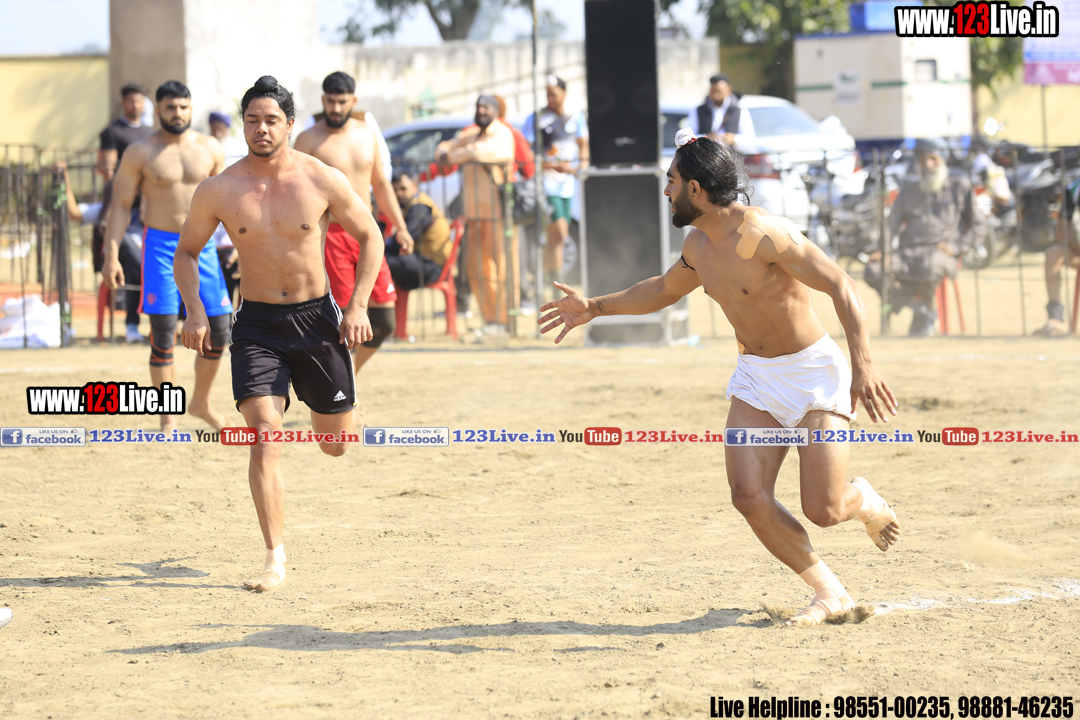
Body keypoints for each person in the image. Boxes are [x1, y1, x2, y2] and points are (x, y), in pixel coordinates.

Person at [538, 130, 900, 626]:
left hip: (813, 375)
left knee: (825, 509)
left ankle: (864, 499)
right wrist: (595, 307)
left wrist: (864, 363)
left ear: (696, 189)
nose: (666, 191)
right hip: (757, 379)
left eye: (671, 181)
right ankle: (830, 593)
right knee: (748, 495)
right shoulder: (699, 244)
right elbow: (663, 290)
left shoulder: (765, 234)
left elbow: (841, 283)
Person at [177, 76, 382, 593]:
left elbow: (371, 236)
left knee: (335, 444)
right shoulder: (219, 189)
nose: (261, 129)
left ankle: (342, 406)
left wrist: (358, 305)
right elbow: (187, 252)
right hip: (257, 327)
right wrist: (195, 311)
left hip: (317, 321)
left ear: (290, 124)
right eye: (252, 120)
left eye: (271, 120)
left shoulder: (322, 178)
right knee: (265, 436)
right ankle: (274, 559)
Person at [102, 80, 232, 432]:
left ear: (191, 109)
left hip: (203, 246)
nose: (178, 113)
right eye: (171, 107)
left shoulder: (210, 148)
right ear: (157, 110)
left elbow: (228, 202)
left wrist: (239, 245)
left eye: (183, 107)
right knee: (163, 332)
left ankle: (201, 402)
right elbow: (120, 206)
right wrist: (111, 255)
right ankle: (167, 416)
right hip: (160, 246)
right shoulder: (140, 152)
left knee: (220, 329)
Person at [294, 71, 415, 384]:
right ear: (323, 100)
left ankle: (349, 381)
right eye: (331, 101)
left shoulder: (367, 134)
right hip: (331, 237)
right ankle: (341, 391)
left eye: (342, 102)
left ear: (354, 101)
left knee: (384, 320)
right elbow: (293, 192)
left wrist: (400, 226)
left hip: (367, 235)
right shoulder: (308, 140)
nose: (336, 108)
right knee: (344, 319)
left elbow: (381, 184)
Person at [865, 138, 986, 337]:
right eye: (922, 160)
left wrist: (956, 247)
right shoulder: (908, 191)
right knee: (873, 269)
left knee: (930, 266)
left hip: (941, 254)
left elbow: (980, 225)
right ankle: (916, 306)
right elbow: (890, 226)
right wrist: (883, 251)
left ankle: (921, 310)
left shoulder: (959, 187)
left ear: (943, 160)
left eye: (933, 159)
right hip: (907, 253)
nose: (928, 164)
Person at [436, 95, 518, 332]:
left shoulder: (502, 134)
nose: (481, 111)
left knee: (499, 269)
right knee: (475, 269)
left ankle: (504, 320)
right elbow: (445, 146)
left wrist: (452, 155)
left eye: (486, 107)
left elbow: (479, 154)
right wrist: (446, 151)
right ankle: (490, 319)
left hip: (498, 215)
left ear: (496, 111)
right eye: (478, 107)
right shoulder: (470, 134)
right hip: (473, 216)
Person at [58, 162, 145, 342]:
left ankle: (134, 326)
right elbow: (74, 213)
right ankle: (131, 326)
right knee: (125, 243)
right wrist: (64, 178)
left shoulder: (149, 210)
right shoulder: (108, 209)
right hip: (119, 259)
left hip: (143, 261)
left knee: (133, 268)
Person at [522, 75, 589, 294]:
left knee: (557, 238)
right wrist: (550, 165)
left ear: (564, 93)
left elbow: (583, 142)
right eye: (547, 94)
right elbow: (527, 152)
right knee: (559, 233)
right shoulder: (537, 118)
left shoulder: (575, 115)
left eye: (554, 94)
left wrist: (581, 166)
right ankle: (553, 282)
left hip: (567, 185)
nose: (550, 98)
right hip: (546, 185)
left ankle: (551, 285)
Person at [386, 167, 451, 290]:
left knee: (378, 260)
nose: (399, 194)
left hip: (432, 266)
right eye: (395, 190)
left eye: (403, 188)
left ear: (415, 186)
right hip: (423, 259)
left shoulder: (419, 207)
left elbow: (402, 241)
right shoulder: (414, 202)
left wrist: (384, 245)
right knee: (381, 259)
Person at [1033, 176, 1080, 336]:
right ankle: (1055, 319)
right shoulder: (1074, 188)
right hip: (1078, 251)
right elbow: (1061, 229)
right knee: (1053, 253)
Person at [98, 83, 153, 184]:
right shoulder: (113, 131)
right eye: (131, 101)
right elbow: (108, 168)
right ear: (123, 103)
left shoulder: (149, 131)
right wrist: (111, 190)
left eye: (139, 101)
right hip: (124, 188)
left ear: (144, 103)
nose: (136, 105)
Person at [688, 74, 741, 146]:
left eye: (719, 91)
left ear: (729, 90)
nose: (716, 95)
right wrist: (706, 138)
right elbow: (688, 136)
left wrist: (733, 139)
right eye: (713, 91)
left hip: (731, 152)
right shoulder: (698, 110)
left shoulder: (738, 110)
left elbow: (750, 140)